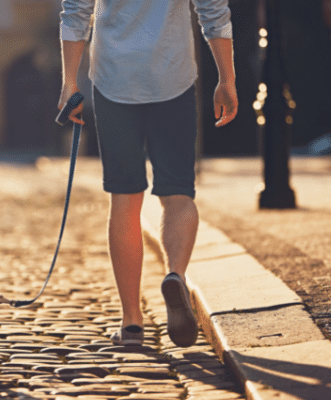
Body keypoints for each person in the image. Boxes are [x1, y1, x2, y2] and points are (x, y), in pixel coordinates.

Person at [58, 0, 238, 347]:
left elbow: (76, 12)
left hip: (113, 82)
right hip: (173, 80)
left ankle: (131, 323)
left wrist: (70, 83)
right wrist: (226, 78)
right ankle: (175, 275)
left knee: (125, 200)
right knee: (178, 194)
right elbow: (213, 11)